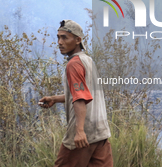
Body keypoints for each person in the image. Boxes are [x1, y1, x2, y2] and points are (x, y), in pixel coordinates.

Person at [38, 19, 113, 167]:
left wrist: (79, 131)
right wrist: (54, 98)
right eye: (58, 37)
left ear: (78, 40)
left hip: (82, 136)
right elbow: (85, 94)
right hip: (100, 132)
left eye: (65, 37)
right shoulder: (88, 61)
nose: (59, 42)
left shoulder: (73, 64)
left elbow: (80, 99)